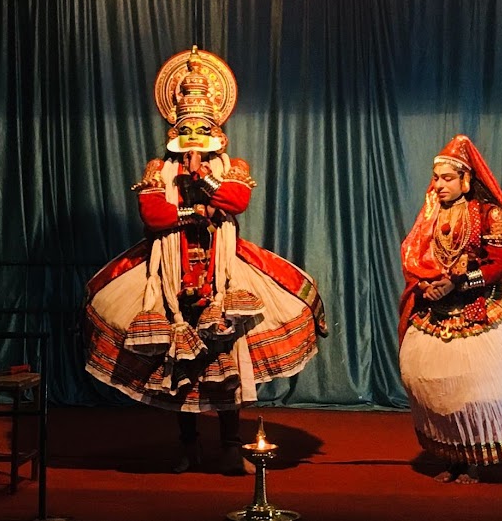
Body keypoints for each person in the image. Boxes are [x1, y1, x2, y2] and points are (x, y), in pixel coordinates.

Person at [84, 46, 327, 474]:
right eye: (186, 126)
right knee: (179, 364)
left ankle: (231, 444)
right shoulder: (158, 168)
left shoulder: (233, 165)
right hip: (167, 273)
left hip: (222, 273)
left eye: (202, 126)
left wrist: (203, 177)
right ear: (174, 127)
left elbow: (236, 200)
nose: (193, 134)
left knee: (226, 358)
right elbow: (153, 215)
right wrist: (194, 205)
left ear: (217, 126)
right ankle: (188, 444)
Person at [398, 134, 502, 483]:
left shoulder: (489, 214)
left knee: (474, 389)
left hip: (482, 306)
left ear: (466, 180)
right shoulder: (431, 214)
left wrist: (461, 282)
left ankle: (477, 458)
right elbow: (416, 258)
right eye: (436, 178)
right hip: (439, 309)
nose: (438, 185)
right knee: (436, 388)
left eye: (447, 178)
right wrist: (426, 284)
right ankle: (453, 457)